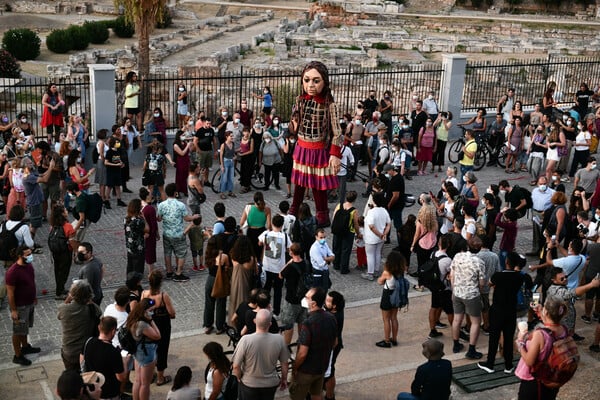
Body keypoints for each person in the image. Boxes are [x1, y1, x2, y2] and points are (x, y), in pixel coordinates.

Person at [289, 61, 343, 228]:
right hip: (302, 147)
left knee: (318, 185)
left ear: (324, 82)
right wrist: (293, 125)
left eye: (315, 80)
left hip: (319, 150)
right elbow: (293, 127)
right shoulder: (299, 101)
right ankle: (294, 209)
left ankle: (322, 213)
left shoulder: (330, 105)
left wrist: (335, 154)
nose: (310, 85)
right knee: (299, 182)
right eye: (306, 80)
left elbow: (337, 132)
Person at [477, 252, 525, 375]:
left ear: (506, 262)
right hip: (511, 310)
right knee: (508, 338)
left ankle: (490, 363)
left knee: (494, 337)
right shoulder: (519, 277)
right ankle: (508, 365)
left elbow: (490, 284)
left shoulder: (497, 276)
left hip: (497, 310)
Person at [289, 287, 337, 400]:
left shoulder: (308, 323)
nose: (305, 299)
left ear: (314, 303)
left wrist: (295, 367)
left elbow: (302, 353)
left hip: (306, 371)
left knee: (297, 396)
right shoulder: (331, 318)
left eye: (307, 298)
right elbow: (335, 342)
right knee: (316, 394)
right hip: (321, 368)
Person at [232, 308, 289, 400]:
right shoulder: (279, 339)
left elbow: (236, 366)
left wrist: (239, 378)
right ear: (270, 324)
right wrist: (284, 379)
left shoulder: (245, 340)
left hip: (249, 383)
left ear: (254, 321)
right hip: (270, 384)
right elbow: (285, 363)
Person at [450, 237, 485, 359]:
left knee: (457, 319)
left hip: (457, 291)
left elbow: (452, 275)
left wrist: (454, 289)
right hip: (471, 294)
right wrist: (478, 292)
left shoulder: (457, 257)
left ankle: (456, 344)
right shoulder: (479, 262)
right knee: (476, 322)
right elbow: (481, 282)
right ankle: (471, 349)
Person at [6, 246, 42, 366]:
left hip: (29, 303)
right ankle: (17, 355)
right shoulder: (12, 272)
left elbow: (31, 281)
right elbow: (10, 293)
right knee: (18, 331)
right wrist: (14, 310)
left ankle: (25, 347)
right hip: (20, 306)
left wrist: (34, 296)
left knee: (24, 328)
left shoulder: (28, 266)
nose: (30, 256)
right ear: (20, 256)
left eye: (30, 253)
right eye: (27, 254)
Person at [157, 182, 199, 282]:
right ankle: (178, 273)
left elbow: (159, 219)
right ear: (175, 193)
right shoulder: (180, 205)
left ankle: (169, 272)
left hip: (167, 233)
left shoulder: (162, 205)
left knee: (168, 253)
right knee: (181, 253)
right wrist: (194, 217)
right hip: (178, 234)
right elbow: (187, 218)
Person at [141, 270, 176, 387]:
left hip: (149, 325)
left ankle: (150, 375)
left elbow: (141, 309)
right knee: (162, 350)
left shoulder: (144, 294)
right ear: (160, 282)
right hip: (162, 325)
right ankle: (160, 378)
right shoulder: (163, 296)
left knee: (151, 348)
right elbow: (172, 313)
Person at [57, 279, 102, 370]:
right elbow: (99, 312)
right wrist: (88, 299)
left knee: (72, 378)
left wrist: (68, 299)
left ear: (72, 294)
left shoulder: (64, 309)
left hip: (69, 351)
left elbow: (59, 316)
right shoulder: (91, 309)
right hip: (86, 352)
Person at [81, 316, 127, 400]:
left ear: (99, 327)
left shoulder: (88, 341)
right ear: (113, 331)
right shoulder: (113, 352)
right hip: (108, 393)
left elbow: (81, 360)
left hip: (91, 389)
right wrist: (124, 360)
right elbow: (121, 377)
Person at [128, 298, 161, 400]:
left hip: (137, 351)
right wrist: (151, 320)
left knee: (138, 380)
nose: (152, 312)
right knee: (145, 383)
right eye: (151, 310)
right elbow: (157, 335)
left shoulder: (133, 318)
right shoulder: (142, 324)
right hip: (146, 352)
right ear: (145, 311)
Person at [258, 214, 291, 316]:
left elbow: (259, 243)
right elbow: (289, 249)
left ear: (272, 223)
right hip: (279, 269)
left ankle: (264, 308)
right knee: (278, 291)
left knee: (266, 289)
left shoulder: (266, 234)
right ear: (282, 225)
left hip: (267, 267)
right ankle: (276, 311)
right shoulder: (285, 236)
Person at [375, 250, 406, 348]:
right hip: (396, 296)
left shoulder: (387, 272)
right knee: (394, 318)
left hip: (387, 295)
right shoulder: (401, 271)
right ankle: (394, 339)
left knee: (386, 319)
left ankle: (387, 340)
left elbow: (380, 282)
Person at [279, 243, 308, 344]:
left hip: (291, 299)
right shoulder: (306, 263)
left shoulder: (290, 267)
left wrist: (288, 263)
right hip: (304, 298)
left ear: (291, 252)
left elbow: (280, 275)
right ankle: (302, 343)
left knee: (289, 324)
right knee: (302, 322)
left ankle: (286, 346)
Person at [22, 156, 55, 243]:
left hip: (36, 201)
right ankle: (30, 243)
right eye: (29, 163)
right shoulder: (28, 176)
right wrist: (51, 167)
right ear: (25, 166)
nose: (32, 163)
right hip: (34, 202)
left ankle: (30, 242)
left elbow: (43, 175)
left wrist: (49, 169)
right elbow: (45, 179)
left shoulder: (31, 173)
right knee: (34, 224)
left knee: (34, 223)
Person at [427, 234, 454, 339]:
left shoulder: (433, 254)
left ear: (438, 244)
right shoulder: (448, 260)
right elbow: (451, 274)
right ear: (448, 245)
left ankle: (432, 330)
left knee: (433, 307)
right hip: (444, 288)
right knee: (450, 311)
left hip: (434, 286)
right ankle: (456, 331)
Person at [49, 204, 76, 300]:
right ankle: (59, 292)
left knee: (57, 271)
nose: (67, 212)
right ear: (62, 214)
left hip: (56, 252)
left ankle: (60, 288)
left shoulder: (53, 225)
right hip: (65, 252)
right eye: (65, 211)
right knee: (64, 272)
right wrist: (76, 251)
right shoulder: (68, 226)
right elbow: (72, 241)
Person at [229, 235, 257, 326]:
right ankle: (244, 323)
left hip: (235, 282)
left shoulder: (233, 255)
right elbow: (255, 271)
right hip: (246, 282)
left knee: (234, 300)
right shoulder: (251, 259)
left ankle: (234, 321)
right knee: (245, 301)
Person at [203, 236, 229, 335]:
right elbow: (226, 267)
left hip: (209, 280)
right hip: (219, 281)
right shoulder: (224, 257)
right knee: (220, 304)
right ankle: (219, 326)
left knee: (209, 303)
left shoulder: (208, 255)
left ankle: (207, 325)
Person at [332, 190, 360, 275]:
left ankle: (336, 264)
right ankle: (344, 268)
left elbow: (334, 217)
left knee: (336, 247)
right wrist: (358, 233)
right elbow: (355, 223)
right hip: (348, 232)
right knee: (345, 250)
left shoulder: (339, 205)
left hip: (337, 231)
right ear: (354, 199)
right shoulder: (354, 211)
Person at [124, 198, 148, 276]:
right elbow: (147, 229)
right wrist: (144, 218)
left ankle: (129, 281)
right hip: (138, 248)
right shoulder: (138, 221)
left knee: (130, 266)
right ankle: (136, 284)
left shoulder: (126, 219)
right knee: (138, 268)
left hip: (130, 247)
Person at [139, 187, 159, 272]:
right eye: (150, 194)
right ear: (147, 196)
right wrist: (156, 234)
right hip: (149, 234)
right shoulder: (150, 209)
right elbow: (153, 224)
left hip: (140, 234)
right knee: (150, 253)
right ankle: (151, 272)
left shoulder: (139, 206)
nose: (152, 195)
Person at [173, 130, 193, 197]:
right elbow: (182, 153)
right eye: (183, 135)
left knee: (185, 176)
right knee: (180, 177)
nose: (184, 136)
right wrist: (187, 145)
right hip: (180, 161)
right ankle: (177, 191)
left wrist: (189, 144)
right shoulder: (176, 144)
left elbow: (190, 150)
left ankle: (185, 190)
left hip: (186, 160)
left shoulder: (184, 142)